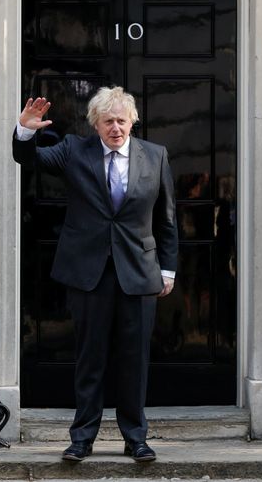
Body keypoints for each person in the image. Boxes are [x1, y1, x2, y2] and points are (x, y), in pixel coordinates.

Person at [12, 86, 178, 462]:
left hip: (138, 271)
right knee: (90, 358)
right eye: (108, 121)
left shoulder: (155, 156)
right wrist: (25, 131)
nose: (115, 128)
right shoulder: (74, 150)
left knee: (134, 360)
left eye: (121, 120)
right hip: (89, 273)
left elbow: (166, 219)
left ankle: (135, 437)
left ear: (132, 120)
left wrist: (167, 269)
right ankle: (82, 438)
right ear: (96, 125)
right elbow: (29, 159)